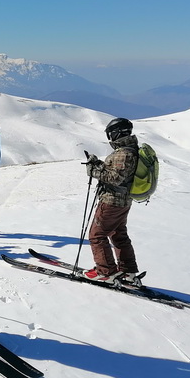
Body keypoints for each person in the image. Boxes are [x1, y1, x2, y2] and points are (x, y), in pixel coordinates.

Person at [83, 117, 141, 284]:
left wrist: (92, 170)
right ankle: (128, 271)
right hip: (123, 201)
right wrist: (99, 164)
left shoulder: (124, 153)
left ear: (116, 133)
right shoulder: (130, 150)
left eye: (111, 134)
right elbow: (119, 174)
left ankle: (106, 272)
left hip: (111, 201)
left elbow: (113, 178)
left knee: (97, 235)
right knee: (118, 234)